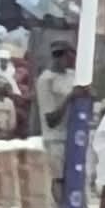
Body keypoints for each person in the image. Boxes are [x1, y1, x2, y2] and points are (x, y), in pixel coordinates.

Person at [36, 44, 76, 199]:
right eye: (69, 58)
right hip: (55, 139)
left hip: (72, 136)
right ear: (60, 57)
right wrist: (70, 98)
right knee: (58, 179)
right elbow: (50, 120)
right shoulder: (45, 80)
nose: (72, 62)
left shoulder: (71, 75)